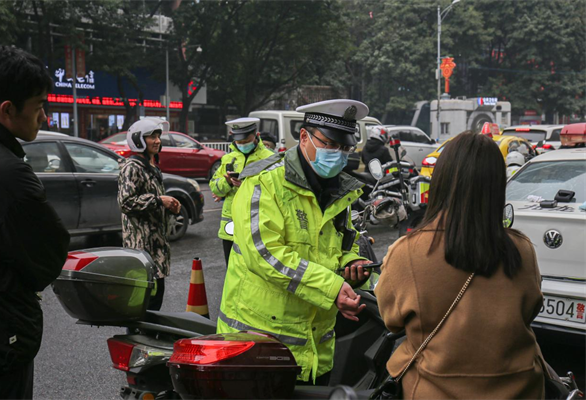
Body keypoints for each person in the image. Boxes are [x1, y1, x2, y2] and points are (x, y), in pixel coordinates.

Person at [375, 131, 546, 399]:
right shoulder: (522, 250)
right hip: (521, 388)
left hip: (433, 390)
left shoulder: (407, 252)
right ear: (497, 185)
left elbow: (391, 320)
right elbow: (530, 310)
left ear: (441, 181)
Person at [217, 99, 373, 384]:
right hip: (259, 347)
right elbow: (265, 255)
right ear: (304, 137)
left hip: (316, 350)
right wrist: (333, 287)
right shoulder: (263, 183)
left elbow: (345, 243)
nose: (337, 155)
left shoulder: (340, 192)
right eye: (329, 144)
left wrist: (353, 263)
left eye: (345, 148)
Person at [0, 45, 70, 398]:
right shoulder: (8, 174)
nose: (45, 117)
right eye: (38, 106)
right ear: (8, 110)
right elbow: (48, 254)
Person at [118, 117, 181, 311]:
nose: (157, 141)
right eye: (151, 136)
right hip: (141, 246)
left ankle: (148, 338)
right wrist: (159, 200)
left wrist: (168, 206)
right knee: (141, 301)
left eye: (158, 136)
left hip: (156, 245)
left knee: (155, 299)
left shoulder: (152, 166)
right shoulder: (132, 167)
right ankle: (137, 338)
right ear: (138, 139)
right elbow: (126, 202)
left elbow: (151, 199)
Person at [209, 117, 274, 267]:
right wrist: (227, 182)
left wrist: (247, 185)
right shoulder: (228, 159)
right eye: (239, 142)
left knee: (256, 270)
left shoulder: (270, 159)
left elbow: (276, 189)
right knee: (231, 268)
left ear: (256, 135)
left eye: (246, 141)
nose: (242, 144)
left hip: (259, 224)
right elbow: (214, 187)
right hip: (231, 227)